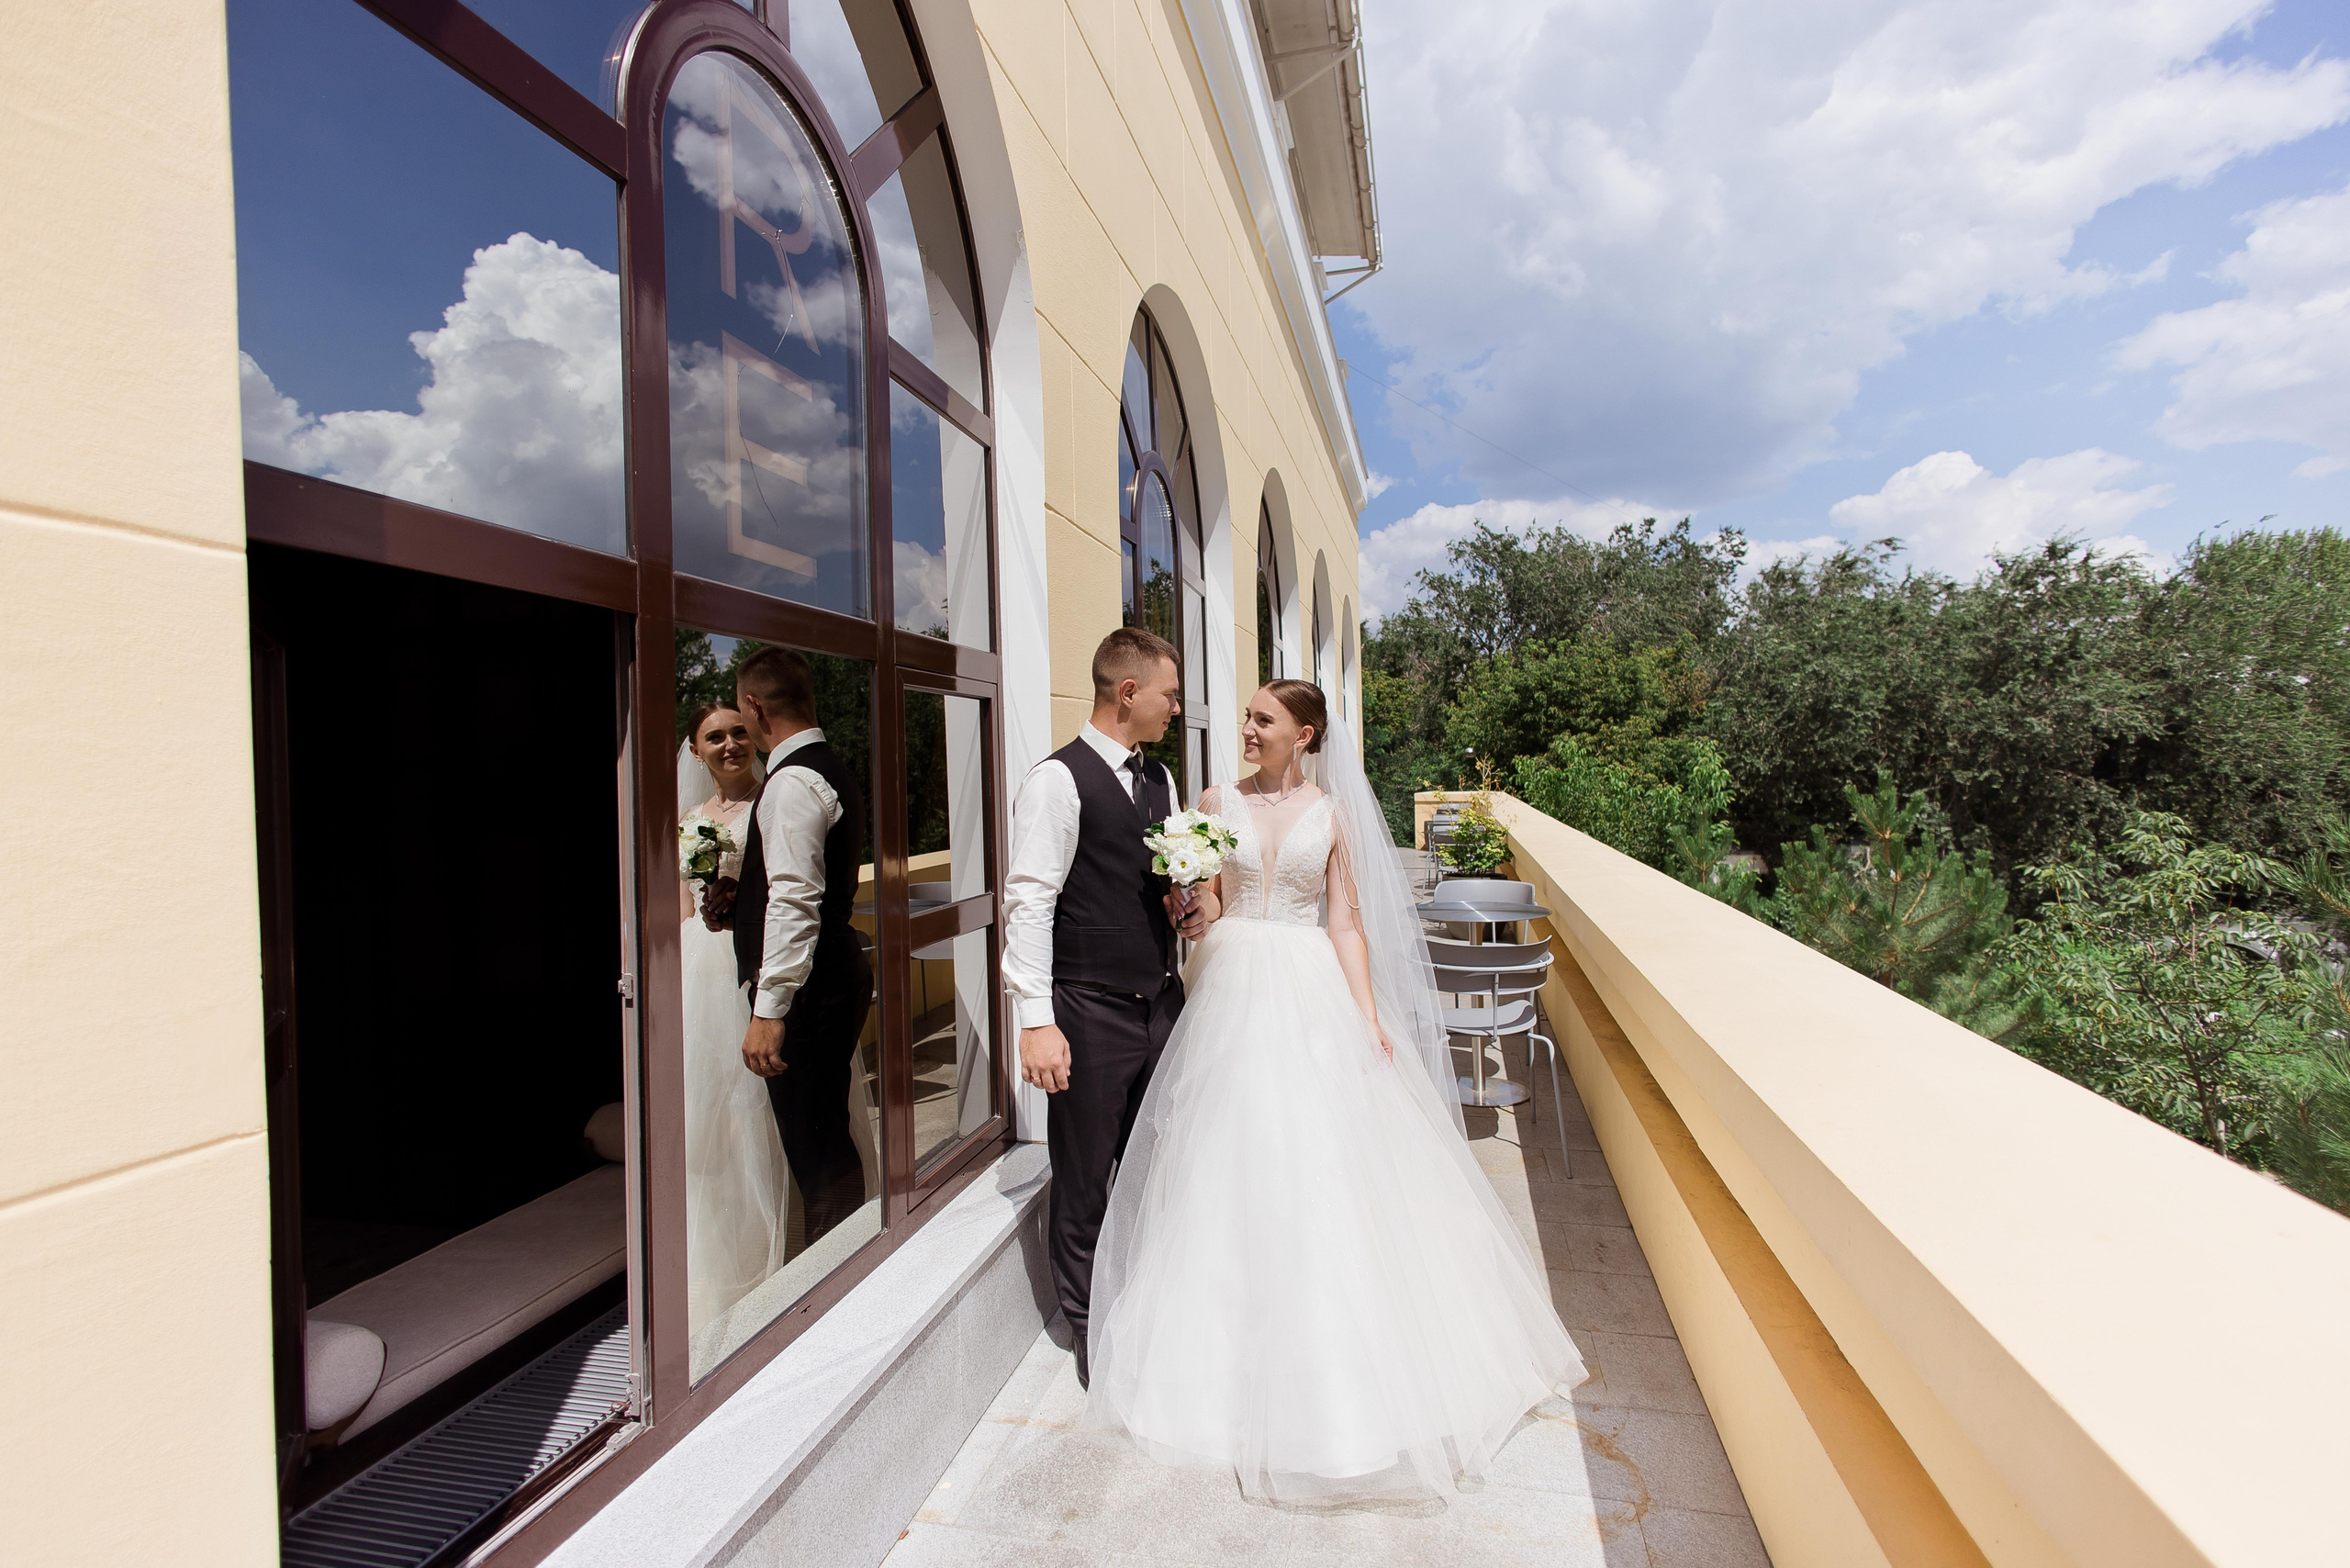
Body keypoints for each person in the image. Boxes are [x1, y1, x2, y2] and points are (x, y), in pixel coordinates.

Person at [1083, 678, 1586, 1506]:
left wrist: (1368, 1016)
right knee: (1222, 1160)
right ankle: (1215, 1361)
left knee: (1313, 1160)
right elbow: (1208, 904)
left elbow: (1344, 922)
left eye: (1262, 720)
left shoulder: (1334, 813)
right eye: (1247, 717)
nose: (1245, 728)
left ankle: (1324, 1371)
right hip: (1232, 985)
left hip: (1310, 988)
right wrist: (1188, 900)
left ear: (1305, 735)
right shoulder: (1213, 800)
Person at [1003, 627, 1209, 1390]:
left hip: (1161, 1002)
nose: (1176, 707)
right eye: (1168, 694)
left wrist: (1184, 908)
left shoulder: (1159, 781)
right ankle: (1093, 1334)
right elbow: (1028, 902)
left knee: (1161, 1162)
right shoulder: (1057, 782)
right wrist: (1036, 1020)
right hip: (1087, 1010)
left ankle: (1150, 1304)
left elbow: (1148, 879)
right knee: (1086, 1175)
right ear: (1128, 693)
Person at [733, 646, 875, 1245]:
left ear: (756, 707)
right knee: (824, 1130)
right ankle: (848, 1260)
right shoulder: (826, 766)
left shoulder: (792, 781)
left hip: (811, 991)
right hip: (832, 975)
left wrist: (771, 1009)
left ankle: (840, 1277)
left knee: (815, 1144)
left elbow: (795, 902)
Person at [673, 704, 789, 1344]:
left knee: (762, 1114)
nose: (728, 744)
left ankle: (778, 1263)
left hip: (755, 968)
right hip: (700, 973)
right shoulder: (690, 823)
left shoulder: (773, 805)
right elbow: (677, 907)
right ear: (696, 751)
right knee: (710, 1123)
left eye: (739, 732)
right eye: (714, 737)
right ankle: (720, 1268)